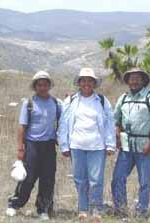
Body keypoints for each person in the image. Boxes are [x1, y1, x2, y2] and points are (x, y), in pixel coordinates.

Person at [57, 67, 116, 223]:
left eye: (90, 81)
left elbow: (110, 122)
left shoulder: (102, 101)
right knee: (79, 179)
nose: (86, 83)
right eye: (83, 80)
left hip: (97, 146)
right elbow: (63, 123)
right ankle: (83, 209)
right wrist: (64, 145)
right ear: (79, 83)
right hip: (76, 145)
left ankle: (96, 209)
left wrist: (110, 144)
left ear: (94, 83)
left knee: (96, 179)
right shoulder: (70, 100)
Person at [111, 68, 150, 219]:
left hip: (144, 145)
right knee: (118, 178)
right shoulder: (123, 98)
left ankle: (141, 212)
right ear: (127, 81)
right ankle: (121, 210)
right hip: (126, 146)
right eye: (131, 78)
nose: (134, 81)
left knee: (144, 181)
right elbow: (115, 120)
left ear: (143, 81)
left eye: (137, 78)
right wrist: (117, 136)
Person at [6, 71, 62, 221]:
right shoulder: (29, 103)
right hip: (32, 145)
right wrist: (20, 149)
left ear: (49, 86)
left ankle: (43, 209)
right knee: (28, 178)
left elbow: (64, 122)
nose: (42, 87)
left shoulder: (56, 103)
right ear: (35, 86)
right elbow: (22, 127)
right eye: (39, 84)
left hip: (49, 146)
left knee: (48, 178)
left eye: (45, 84)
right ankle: (14, 204)